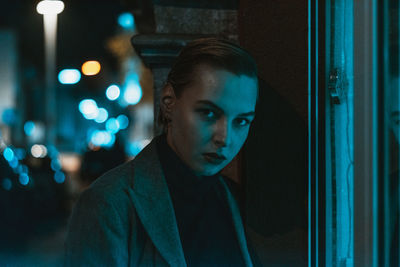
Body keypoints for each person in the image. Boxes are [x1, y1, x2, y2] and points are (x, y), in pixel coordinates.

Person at [64, 37, 259, 266]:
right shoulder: (108, 204)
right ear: (169, 103)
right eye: (208, 113)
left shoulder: (232, 199)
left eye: (242, 121)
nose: (224, 138)